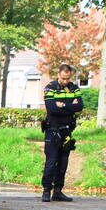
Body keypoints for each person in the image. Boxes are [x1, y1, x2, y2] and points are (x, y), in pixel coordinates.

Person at [40, 62, 84, 202]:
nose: (65, 81)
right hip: (52, 130)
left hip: (67, 131)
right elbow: (52, 108)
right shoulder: (50, 87)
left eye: (68, 78)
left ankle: (58, 191)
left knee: (63, 162)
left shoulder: (74, 88)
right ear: (58, 74)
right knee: (51, 162)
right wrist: (71, 105)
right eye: (63, 78)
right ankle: (46, 191)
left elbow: (80, 106)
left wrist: (63, 105)